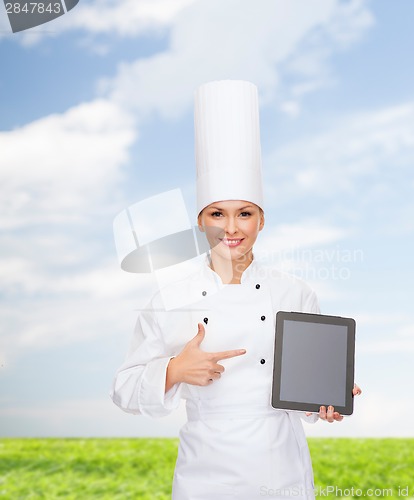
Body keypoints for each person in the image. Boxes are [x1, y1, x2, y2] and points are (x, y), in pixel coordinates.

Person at [111, 80, 361, 499]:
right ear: (200, 221)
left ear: (261, 220)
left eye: (244, 213)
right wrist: (174, 370)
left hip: (280, 467)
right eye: (217, 214)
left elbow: (305, 393)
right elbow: (123, 390)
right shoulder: (170, 299)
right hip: (205, 473)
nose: (230, 228)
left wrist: (326, 400)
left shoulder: (295, 293)